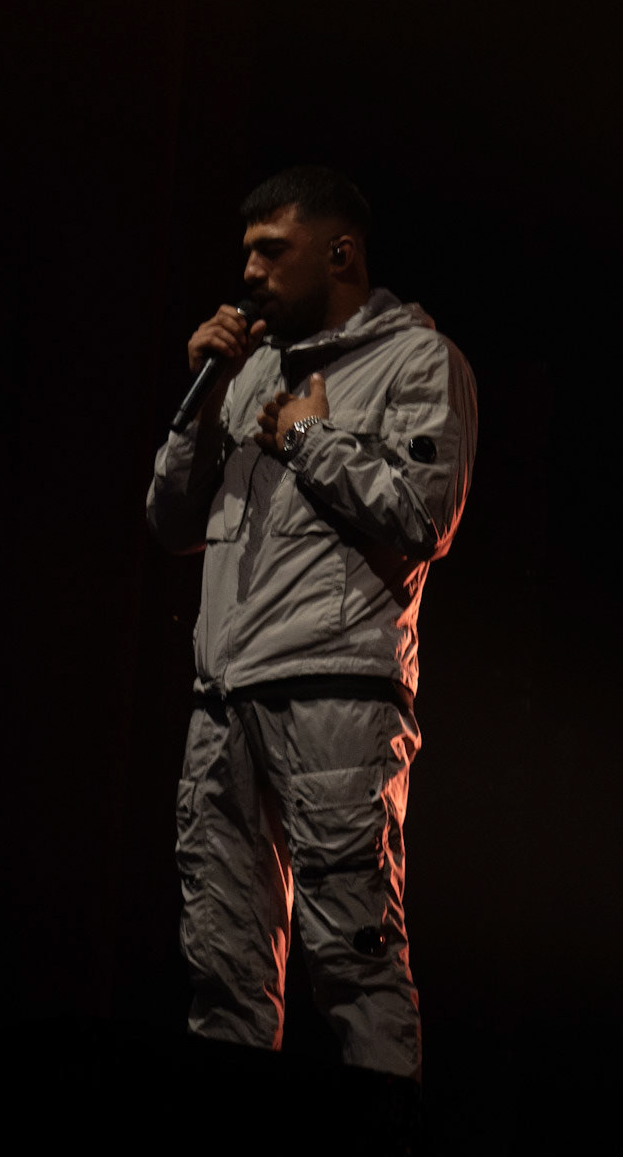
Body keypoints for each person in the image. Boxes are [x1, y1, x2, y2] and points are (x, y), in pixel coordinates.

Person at [146, 167, 477, 1088]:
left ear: (339, 253)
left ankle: (385, 1150)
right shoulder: (248, 366)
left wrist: (307, 439)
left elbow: (426, 515)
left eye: (271, 251)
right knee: (223, 967)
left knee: (353, 959)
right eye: (246, 253)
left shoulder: (419, 361)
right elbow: (169, 524)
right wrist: (205, 401)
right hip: (225, 700)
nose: (249, 272)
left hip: (336, 694)